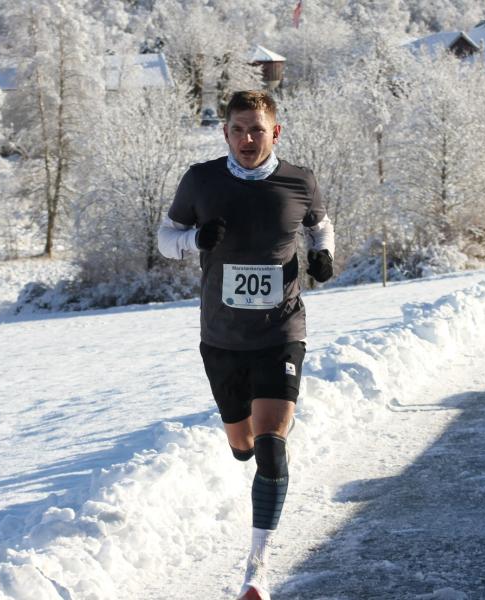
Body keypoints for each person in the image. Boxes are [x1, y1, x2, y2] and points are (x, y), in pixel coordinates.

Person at [156, 90, 335, 600]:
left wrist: (323, 255)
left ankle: (256, 570)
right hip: (221, 337)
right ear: (225, 132)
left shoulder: (299, 180)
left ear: (274, 132)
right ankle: (243, 449)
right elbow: (167, 238)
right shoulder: (201, 180)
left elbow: (319, 225)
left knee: (271, 444)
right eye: (238, 129)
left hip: (281, 331)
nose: (247, 139)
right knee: (243, 446)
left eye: (257, 129)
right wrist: (196, 240)